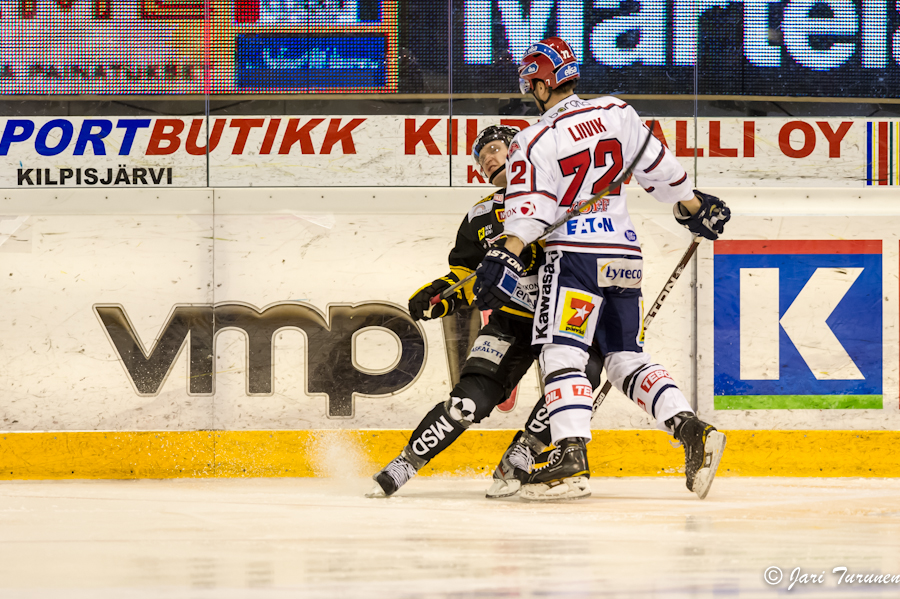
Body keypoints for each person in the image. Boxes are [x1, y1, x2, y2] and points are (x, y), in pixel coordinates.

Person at [472, 37, 731, 501]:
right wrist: (696, 208)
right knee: (623, 357)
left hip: (574, 258)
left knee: (561, 352)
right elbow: (664, 175)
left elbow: (530, 214)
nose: (530, 90)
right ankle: (692, 430)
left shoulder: (533, 140)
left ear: (541, 82)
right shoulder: (617, 112)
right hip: (624, 257)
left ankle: (570, 456)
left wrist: (503, 252)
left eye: (531, 82)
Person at [367, 125, 604, 499]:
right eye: (481, 158)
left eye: (495, 148)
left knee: (578, 382)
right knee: (467, 401)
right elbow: (467, 274)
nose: (488, 160)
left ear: (523, 149)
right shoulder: (480, 216)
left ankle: (523, 452)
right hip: (512, 321)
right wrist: (443, 294)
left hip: (565, 320)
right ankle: (405, 463)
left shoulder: (565, 196)